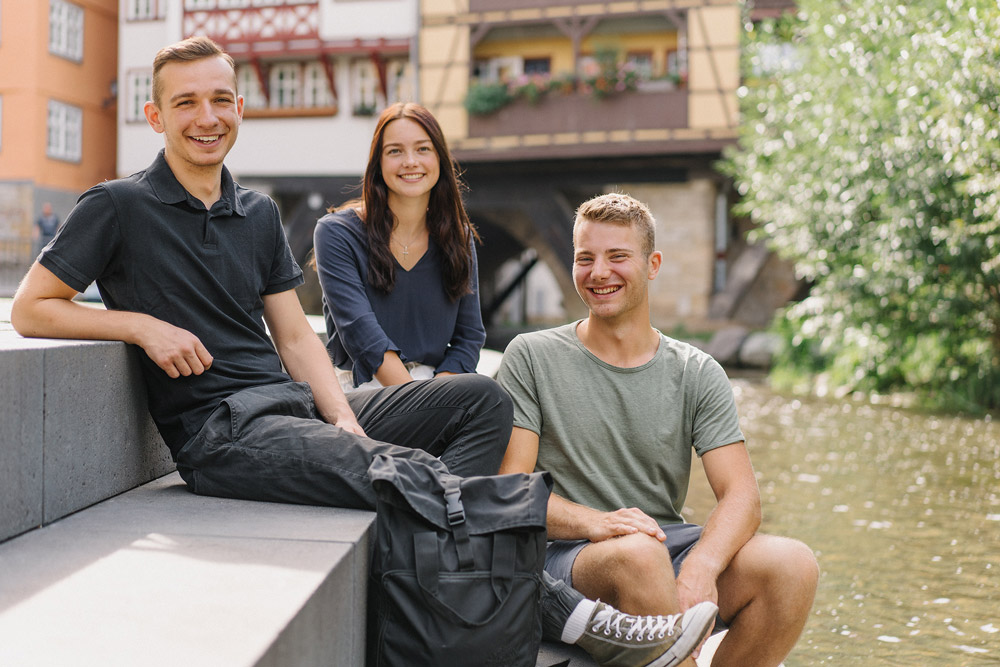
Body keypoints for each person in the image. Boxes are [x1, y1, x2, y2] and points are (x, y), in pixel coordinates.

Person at [10, 37, 715, 667]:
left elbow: (293, 336)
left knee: (479, 400)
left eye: (220, 99)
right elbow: (32, 308)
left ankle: (435, 563)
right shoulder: (116, 204)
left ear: (240, 107)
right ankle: (567, 612)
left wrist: (343, 415)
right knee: (402, 467)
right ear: (157, 115)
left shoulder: (254, 212)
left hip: (297, 411)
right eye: (186, 102)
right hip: (222, 431)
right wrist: (139, 326)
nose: (207, 116)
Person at [497, 193, 820, 667]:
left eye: (617, 257)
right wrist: (597, 522)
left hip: (661, 543)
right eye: (585, 258)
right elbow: (511, 487)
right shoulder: (530, 356)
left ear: (652, 265)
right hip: (565, 559)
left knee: (793, 566)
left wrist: (701, 568)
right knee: (639, 555)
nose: (599, 272)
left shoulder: (697, 370)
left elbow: (741, 497)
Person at [313, 102, 485, 393]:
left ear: (440, 159)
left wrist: (438, 399)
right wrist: (419, 404)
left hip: (438, 389)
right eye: (395, 151)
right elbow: (363, 336)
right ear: (378, 163)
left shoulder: (459, 237)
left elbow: (468, 338)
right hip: (364, 390)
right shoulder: (336, 233)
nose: (410, 161)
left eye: (423, 149)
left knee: (497, 400)